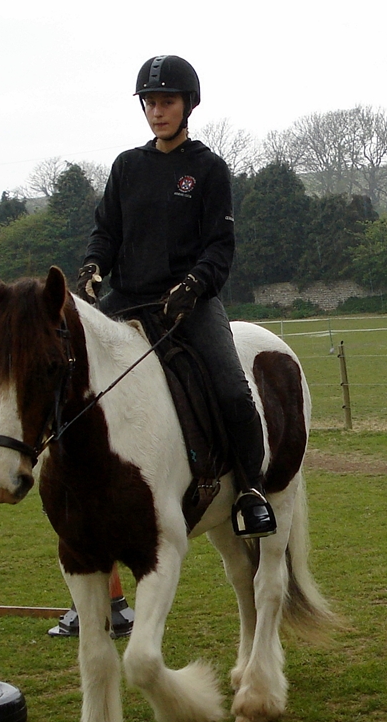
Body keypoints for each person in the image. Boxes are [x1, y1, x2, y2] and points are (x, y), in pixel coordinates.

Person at [76, 54, 276, 538]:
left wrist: (193, 285)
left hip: (190, 304)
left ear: (188, 105)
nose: (157, 111)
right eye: (150, 102)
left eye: (166, 102)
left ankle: (251, 491)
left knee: (233, 391)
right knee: (72, 367)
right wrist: (93, 266)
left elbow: (220, 246)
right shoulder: (127, 167)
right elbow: (106, 232)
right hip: (127, 300)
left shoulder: (208, 168)